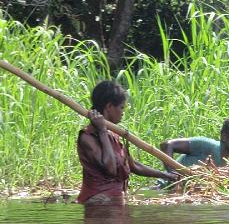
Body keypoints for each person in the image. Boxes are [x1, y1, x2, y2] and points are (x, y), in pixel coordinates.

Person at [76, 80, 178, 209]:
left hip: (115, 203)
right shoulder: (88, 137)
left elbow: (133, 166)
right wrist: (102, 131)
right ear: (109, 107)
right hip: (99, 203)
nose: (123, 112)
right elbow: (111, 168)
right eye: (121, 107)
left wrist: (167, 175)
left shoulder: (113, 134)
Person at [159, 118, 229, 168]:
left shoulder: (226, 165)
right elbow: (167, 145)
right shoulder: (207, 146)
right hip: (164, 187)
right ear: (224, 137)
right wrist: (172, 173)